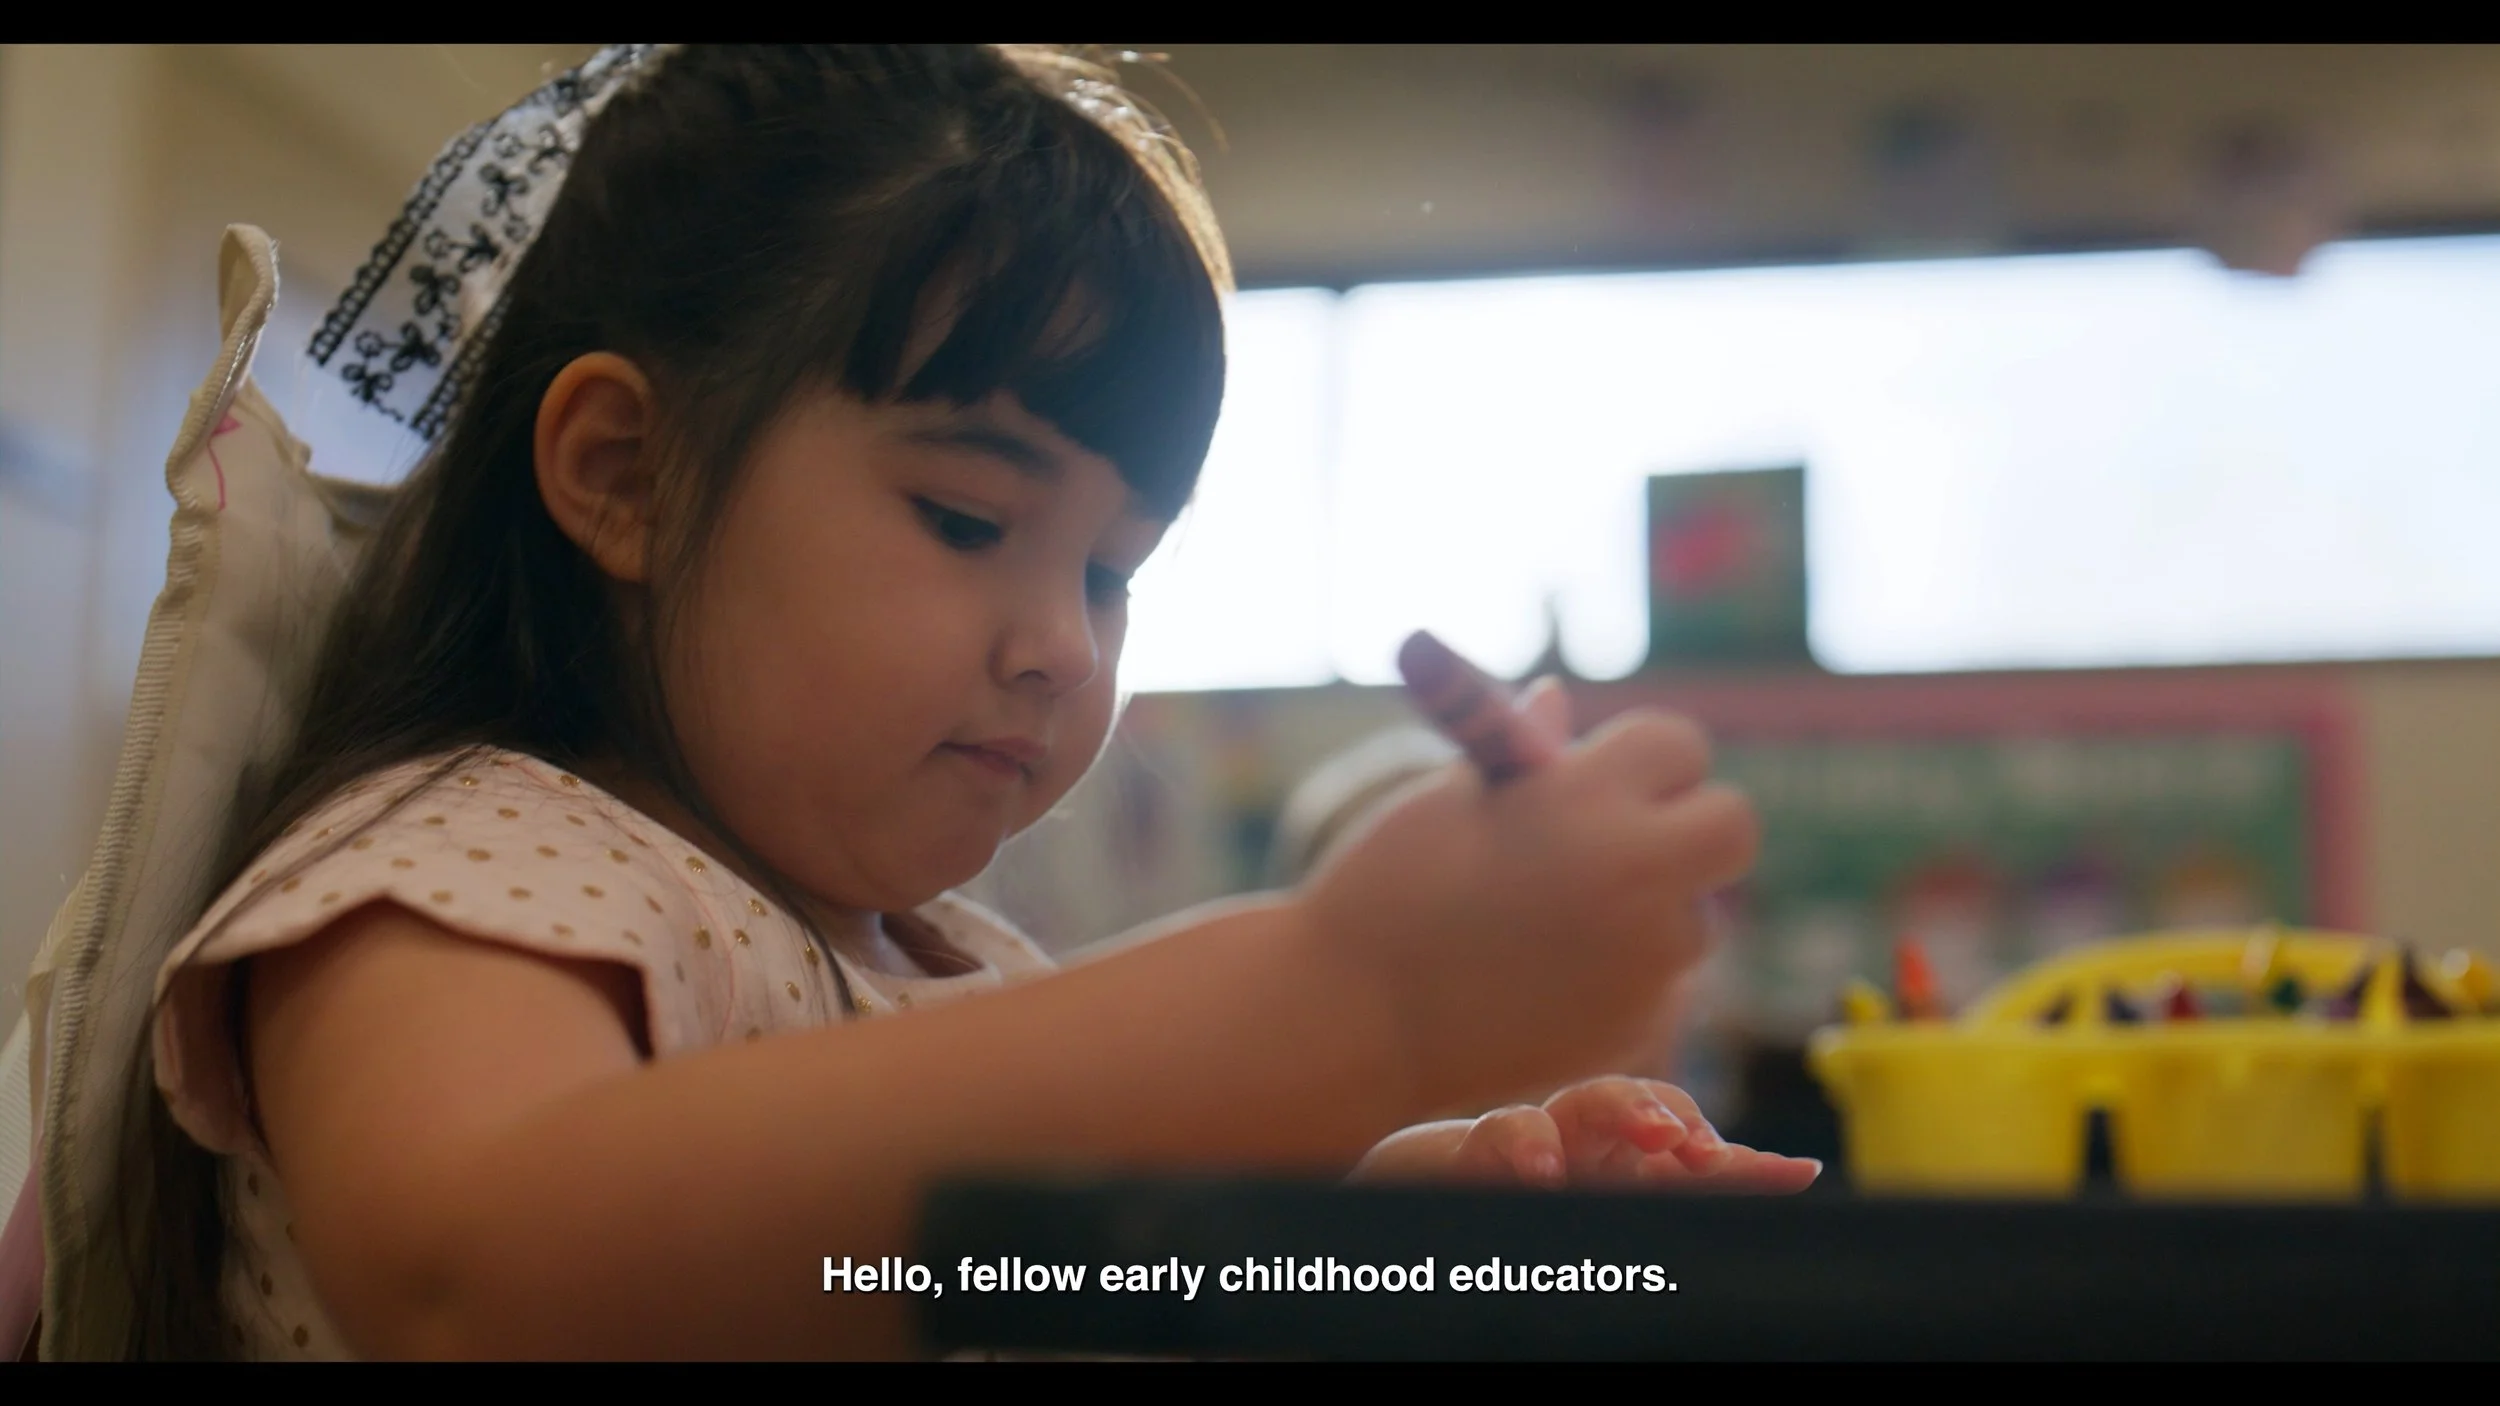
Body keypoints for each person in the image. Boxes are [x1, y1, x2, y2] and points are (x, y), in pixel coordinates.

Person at [104, 44, 1812, 1361]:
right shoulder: (463, 866)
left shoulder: (949, 968)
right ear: (622, 472)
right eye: (971, 520)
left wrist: (1433, 1216)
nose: (1062, 645)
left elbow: (1051, 1286)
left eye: (1112, 571)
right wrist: (1348, 994)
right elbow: (478, 1276)